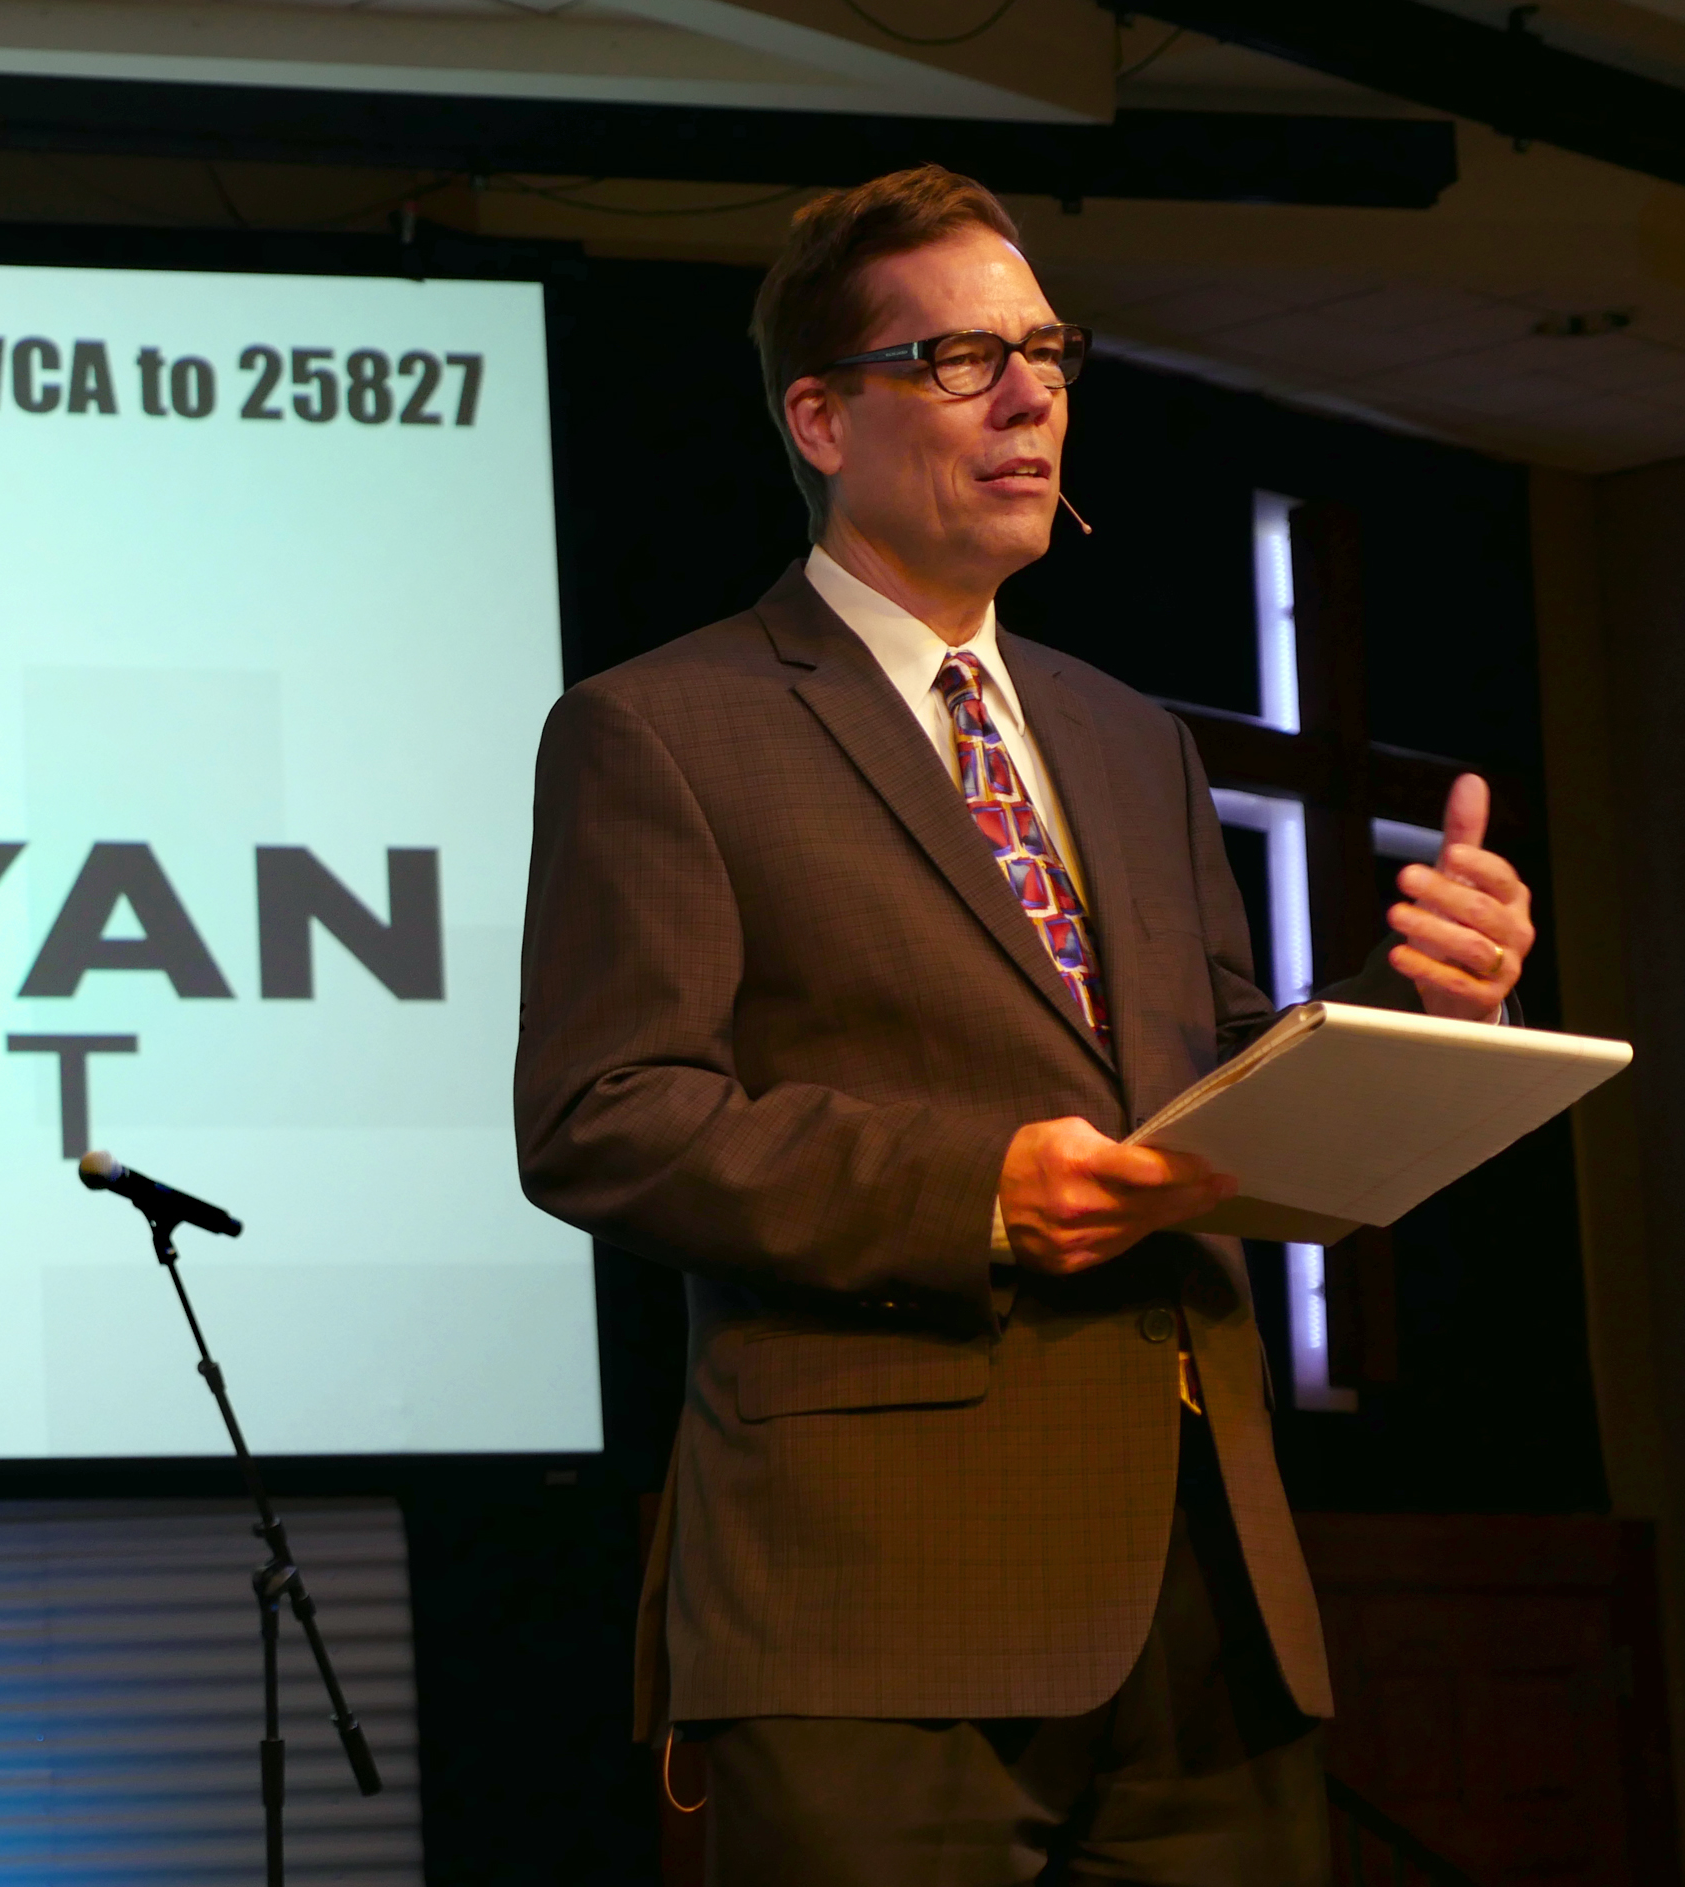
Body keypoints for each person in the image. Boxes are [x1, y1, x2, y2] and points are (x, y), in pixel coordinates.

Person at [511, 165, 1536, 1883]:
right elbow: (608, 1114)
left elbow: (1201, 1081)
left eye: (1049, 351)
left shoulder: (1128, 734)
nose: (1033, 394)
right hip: (877, 1611)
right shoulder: (661, 727)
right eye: (963, 356)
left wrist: (1410, 1006)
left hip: (1206, 1592)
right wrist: (979, 1188)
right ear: (823, 417)